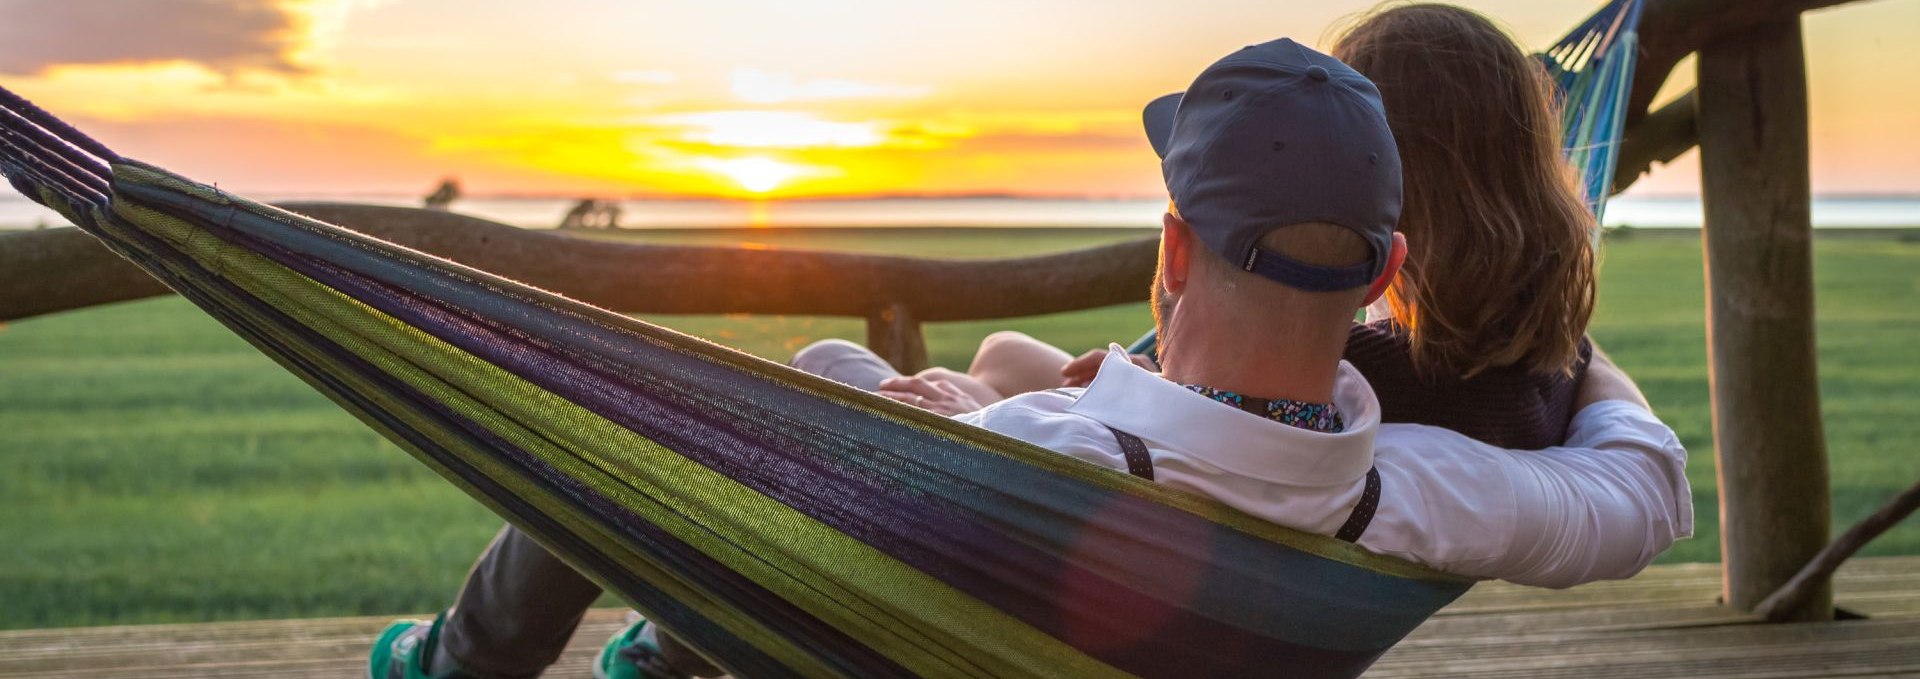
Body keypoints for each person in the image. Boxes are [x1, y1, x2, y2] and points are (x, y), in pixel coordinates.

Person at [370, 38, 1691, 679]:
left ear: (1175, 253)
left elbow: (1080, 451)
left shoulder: (1088, 445)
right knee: (899, 370)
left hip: (947, 616)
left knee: (647, 417)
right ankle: (656, 656)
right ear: (1383, 265)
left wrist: (936, 415)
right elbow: (1645, 484)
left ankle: (479, 660)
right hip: (1136, 586)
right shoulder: (1458, 460)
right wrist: (1577, 348)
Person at [948, 4, 1603, 451]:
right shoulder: (1544, 361)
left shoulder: (1348, 366)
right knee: (1006, 354)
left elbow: (1213, 416)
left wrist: (1146, 384)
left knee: (995, 359)